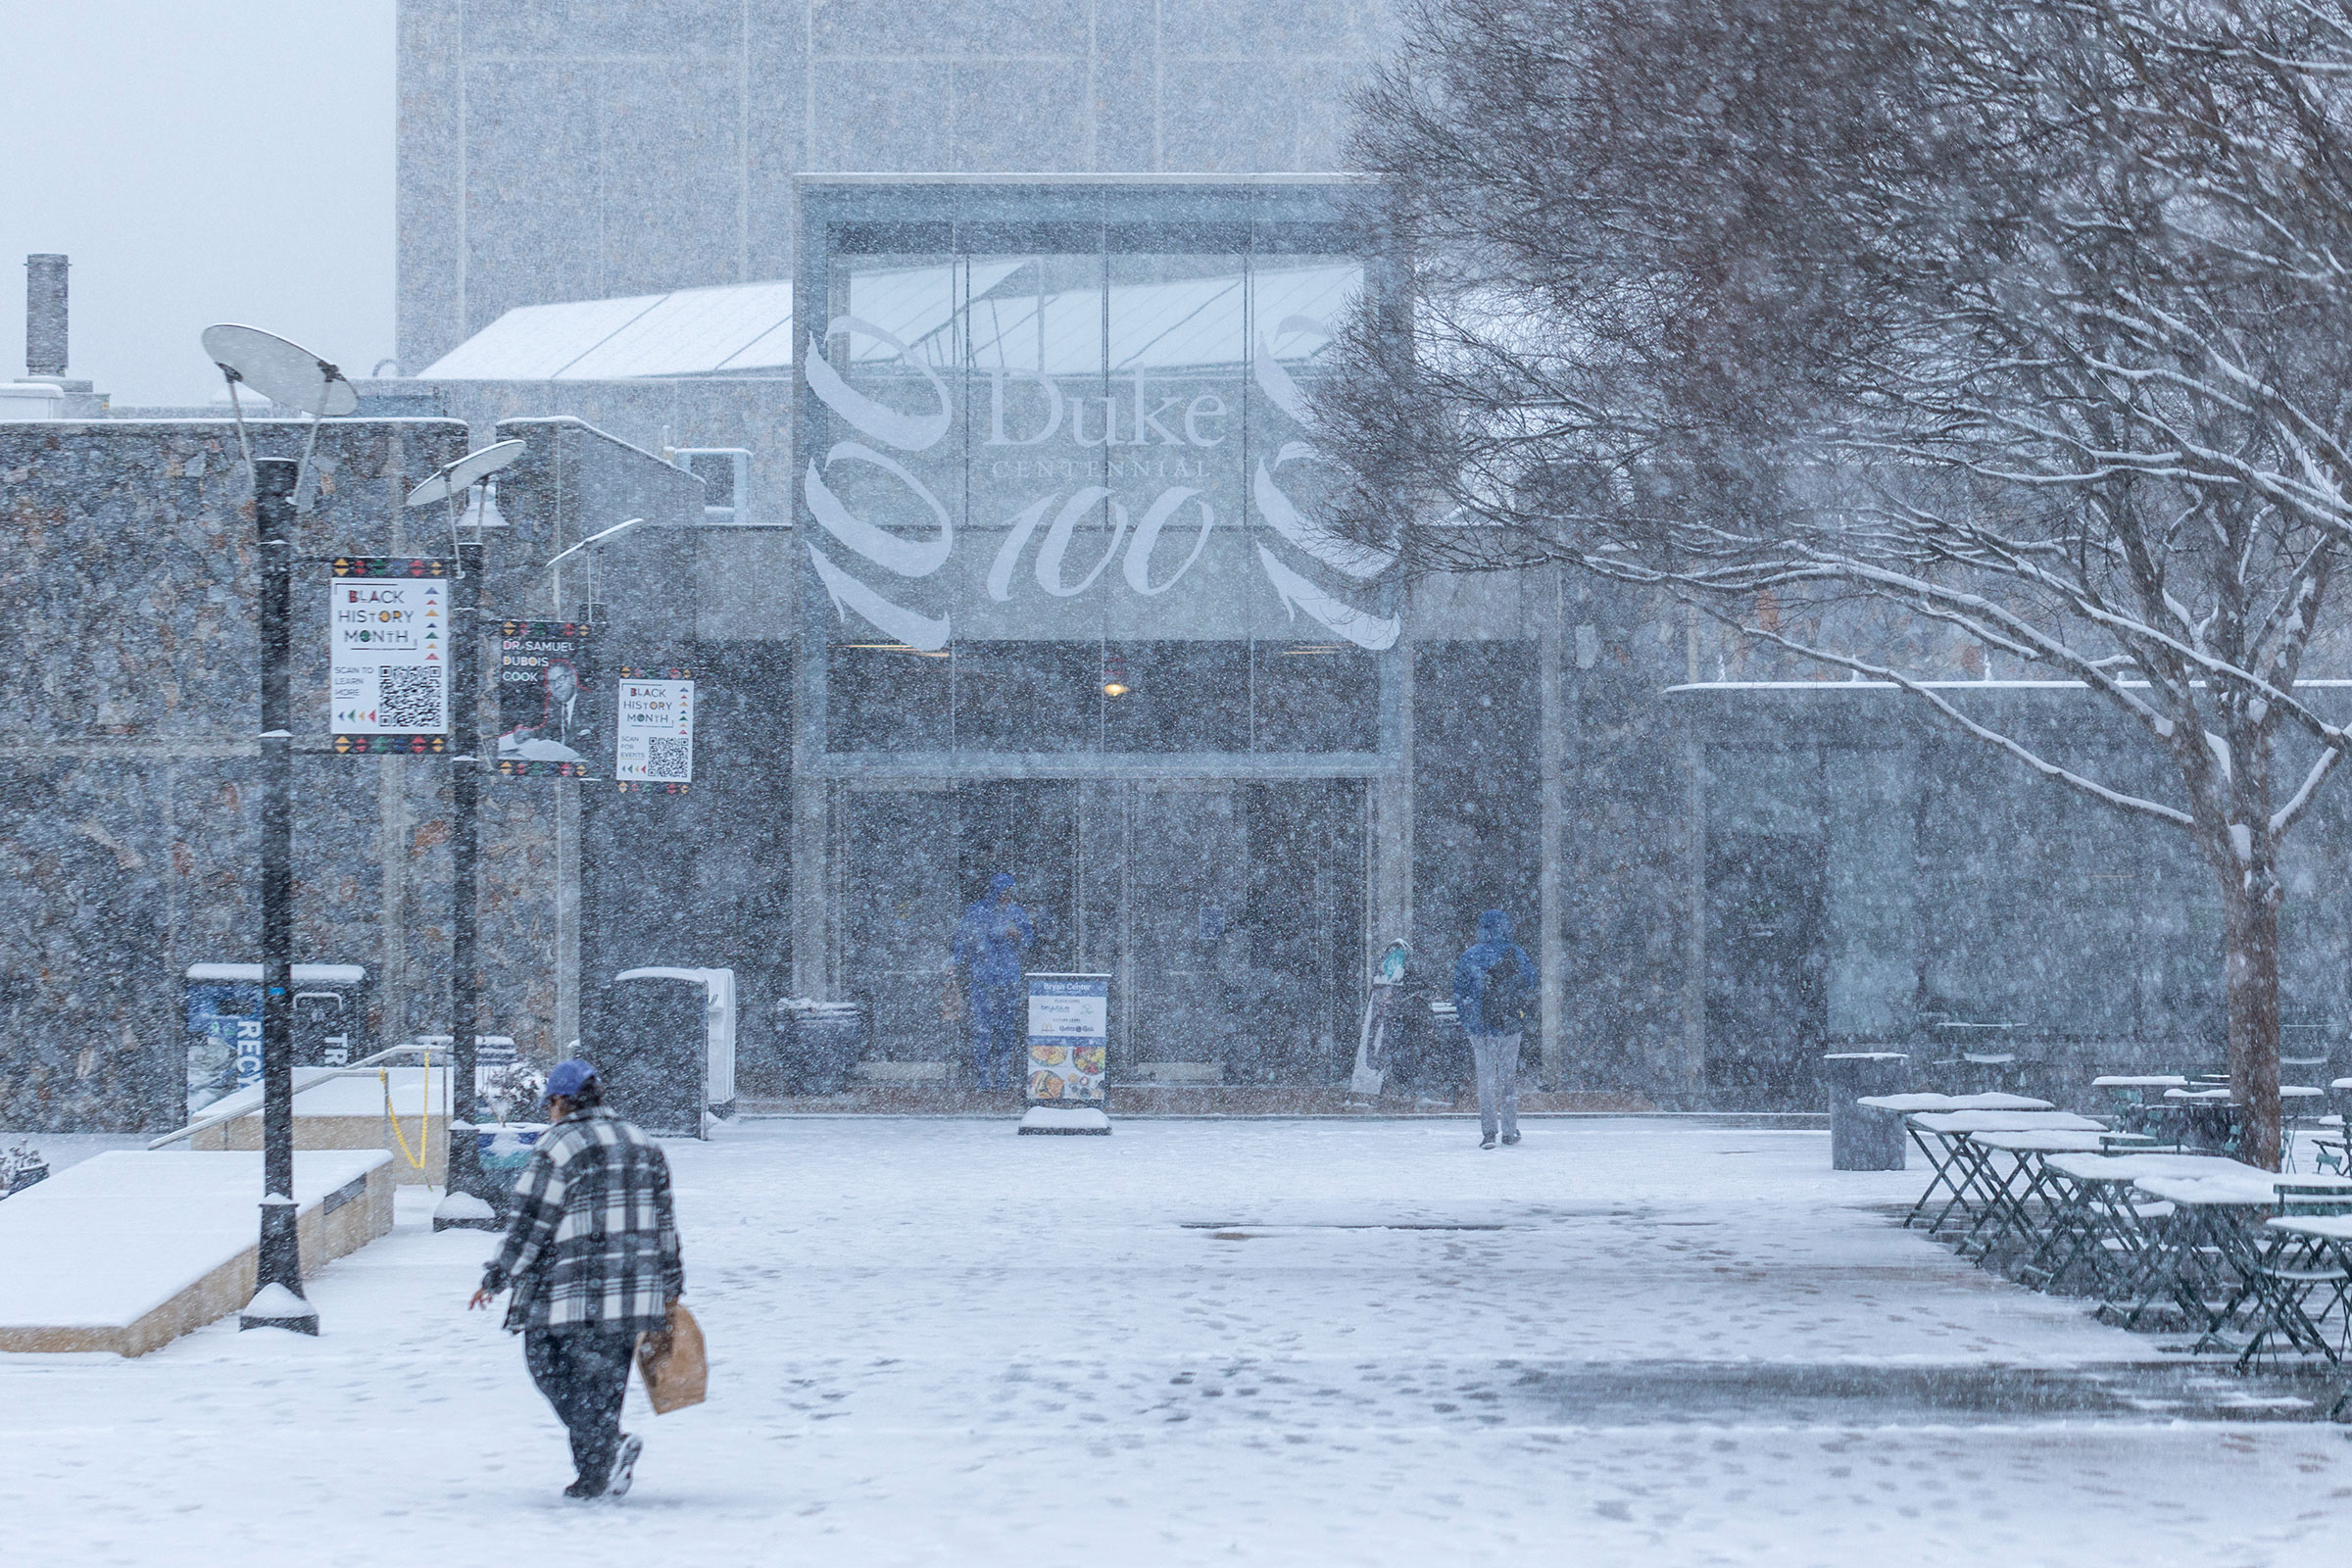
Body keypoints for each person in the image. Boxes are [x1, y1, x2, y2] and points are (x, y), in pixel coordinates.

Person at [467, 1059, 684, 1500]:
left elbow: (531, 1219)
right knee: (602, 1388)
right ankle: (593, 1477)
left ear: (562, 1101)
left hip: (573, 1291)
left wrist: (497, 1275)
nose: (549, 1112)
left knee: (548, 1368)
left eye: (549, 1103)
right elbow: (666, 1223)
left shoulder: (560, 1146)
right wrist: (671, 1284)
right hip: (632, 1294)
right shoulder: (644, 1143)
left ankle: (608, 1447)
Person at [1452, 909, 1538, 1150]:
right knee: (1508, 1080)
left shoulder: (1470, 956)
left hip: (1480, 1029)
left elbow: (1459, 992)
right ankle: (1509, 1131)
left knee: (1486, 1081)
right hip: (1509, 1026)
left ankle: (1489, 1132)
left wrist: (1469, 1021)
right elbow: (1532, 982)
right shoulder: (1516, 953)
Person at [951, 872, 1033, 1092]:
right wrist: (954, 961)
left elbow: (1029, 940)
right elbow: (963, 938)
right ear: (995, 892)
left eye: (1010, 893)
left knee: (1006, 1027)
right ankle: (983, 1076)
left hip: (1008, 979)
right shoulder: (977, 912)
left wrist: (1019, 936)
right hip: (984, 978)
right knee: (982, 1028)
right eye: (1004, 892)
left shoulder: (1016, 913)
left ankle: (1003, 1075)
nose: (1007, 897)